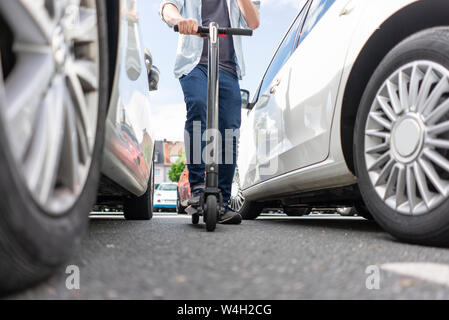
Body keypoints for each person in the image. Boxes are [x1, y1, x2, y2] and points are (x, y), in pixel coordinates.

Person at [160, 0, 260, 224]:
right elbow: (167, 7)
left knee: (230, 126)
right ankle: (197, 187)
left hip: (228, 67)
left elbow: (253, 22)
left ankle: (221, 198)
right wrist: (180, 21)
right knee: (198, 107)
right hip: (194, 64)